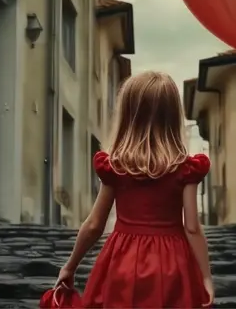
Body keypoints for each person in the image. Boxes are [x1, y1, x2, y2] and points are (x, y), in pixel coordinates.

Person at [54, 71, 214, 308]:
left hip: (122, 260)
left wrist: (70, 266)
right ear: (172, 115)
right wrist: (206, 277)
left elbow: (95, 224)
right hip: (172, 263)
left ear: (129, 115)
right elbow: (191, 227)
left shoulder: (116, 166)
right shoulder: (185, 168)